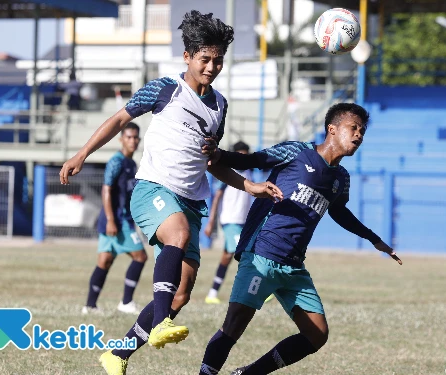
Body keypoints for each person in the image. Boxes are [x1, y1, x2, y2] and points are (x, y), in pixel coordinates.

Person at [59, 10, 282, 375]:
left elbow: (212, 163)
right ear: (188, 57)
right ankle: (160, 322)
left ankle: (118, 355)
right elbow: (119, 119)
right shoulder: (165, 89)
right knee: (175, 235)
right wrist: (82, 153)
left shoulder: (220, 106)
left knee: (181, 292)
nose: (212, 66)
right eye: (205, 59)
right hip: (153, 190)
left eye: (218, 60)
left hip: (192, 202)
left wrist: (250, 185)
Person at [198, 103, 402, 375]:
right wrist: (219, 154)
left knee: (317, 334)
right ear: (332, 129)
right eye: (353, 128)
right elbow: (253, 161)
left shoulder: (341, 178)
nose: (358, 136)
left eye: (362, 131)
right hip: (262, 254)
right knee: (233, 326)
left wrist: (373, 238)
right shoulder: (297, 151)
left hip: (294, 266)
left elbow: (339, 211)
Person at [82, 122, 147, 315]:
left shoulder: (132, 163)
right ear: (121, 139)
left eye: (136, 137)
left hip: (121, 219)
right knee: (140, 256)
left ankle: (90, 306)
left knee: (104, 261)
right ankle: (126, 303)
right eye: (129, 137)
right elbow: (106, 189)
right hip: (117, 221)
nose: (133, 141)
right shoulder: (116, 161)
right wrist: (111, 219)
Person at [204, 141, 253, 304]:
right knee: (246, 253)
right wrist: (211, 222)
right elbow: (216, 197)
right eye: (240, 155)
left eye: (246, 156)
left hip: (243, 222)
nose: (243, 159)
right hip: (230, 221)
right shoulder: (229, 174)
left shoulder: (250, 173)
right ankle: (255, 290)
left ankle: (212, 294)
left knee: (226, 256)